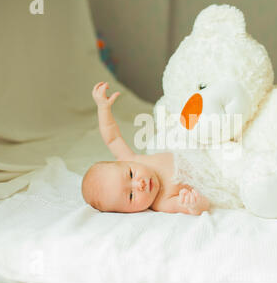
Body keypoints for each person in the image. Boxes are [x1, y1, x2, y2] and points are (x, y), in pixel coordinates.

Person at [81, 82, 210, 215]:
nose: (139, 184)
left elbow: (112, 138)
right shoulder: (163, 202)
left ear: (125, 163)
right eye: (131, 195)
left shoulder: (132, 159)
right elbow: (199, 205)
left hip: (197, 144)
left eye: (131, 174)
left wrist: (103, 108)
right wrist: (194, 205)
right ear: (126, 211)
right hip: (211, 167)